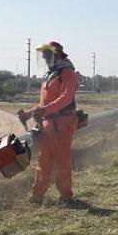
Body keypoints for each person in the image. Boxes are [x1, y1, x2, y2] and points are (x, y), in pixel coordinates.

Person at [19, 41, 79, 204]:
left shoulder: (67, 73)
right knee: (43, 160)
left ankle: (66, 196)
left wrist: (45, 111)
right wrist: (29, 114)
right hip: (48, 124)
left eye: (47, 55)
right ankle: (37, 195)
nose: (45, 59)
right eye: (43, 56)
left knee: (61, 160)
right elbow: (44, 103)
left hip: (62, 123)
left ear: (57, 54)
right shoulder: (50, 75)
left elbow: (66, 98)